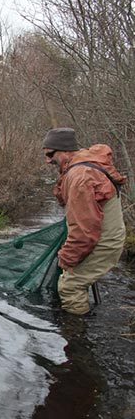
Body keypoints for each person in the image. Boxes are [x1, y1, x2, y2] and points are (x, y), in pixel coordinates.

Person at [43, 127, 126, 315]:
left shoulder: (79, 177)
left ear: (65, 151)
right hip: (106, 236)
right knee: (77, 276)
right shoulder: (84, 164)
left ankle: (77, 337)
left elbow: (84, 231)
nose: (48, 160)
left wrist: (66, 260)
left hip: (103, 241)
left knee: (70, 287)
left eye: (50, 154)